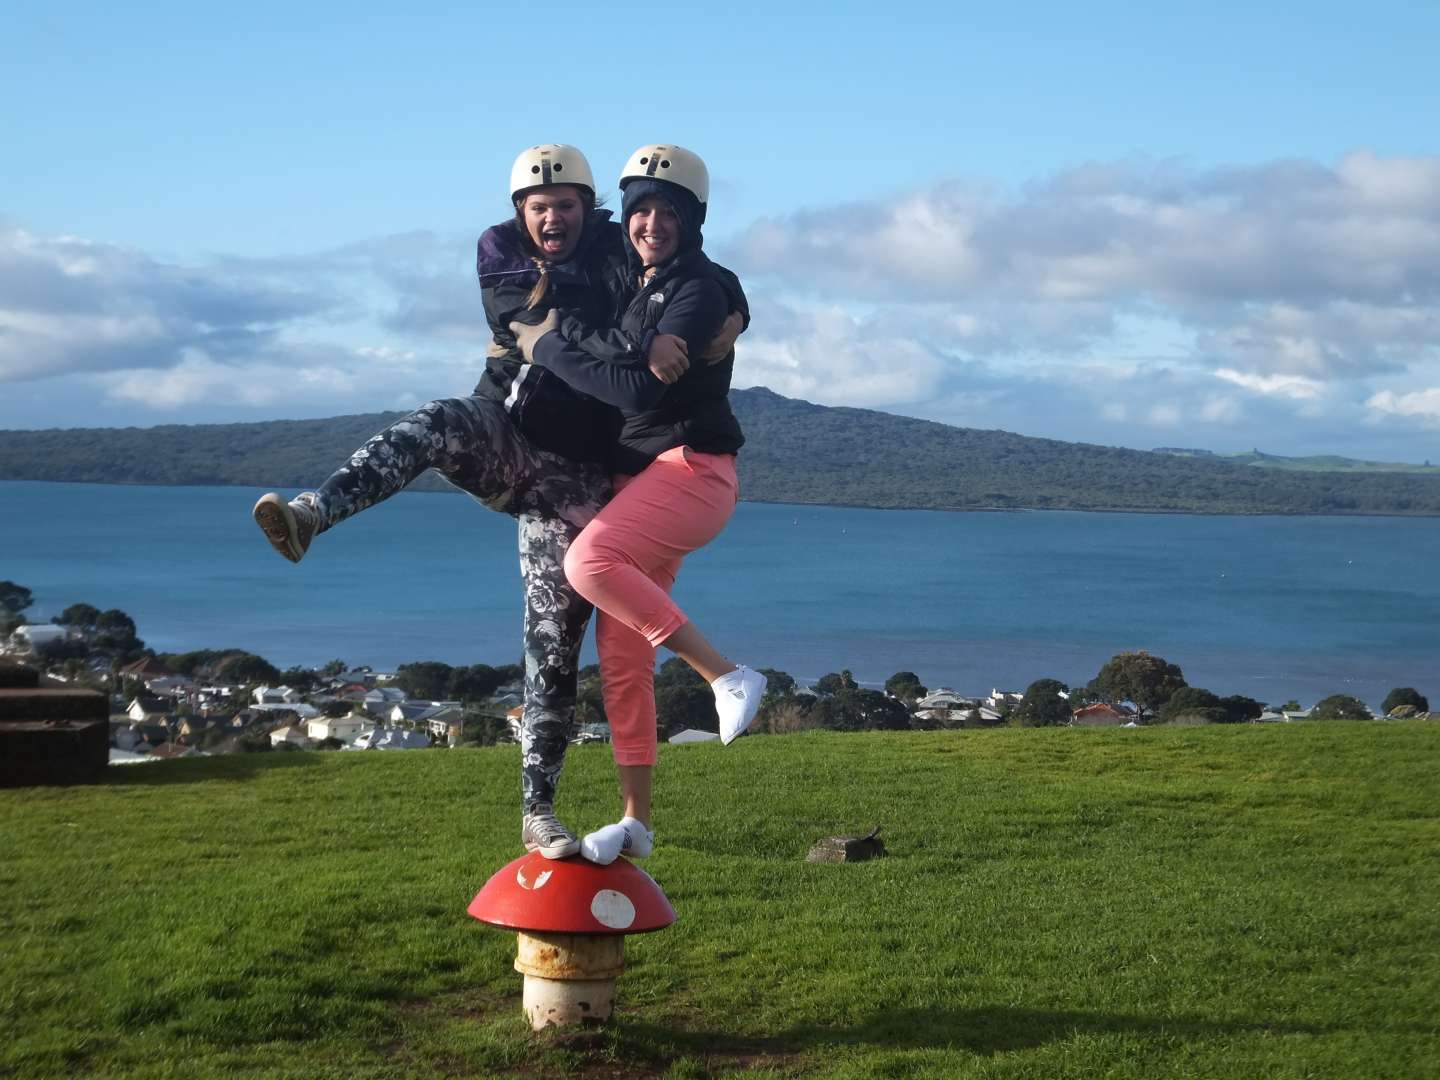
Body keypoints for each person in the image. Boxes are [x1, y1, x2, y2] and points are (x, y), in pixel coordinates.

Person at [251, 145, 736, 861]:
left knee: (554, 652)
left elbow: (702, 272)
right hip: (511, 439)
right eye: (539, 207)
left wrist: (732, 314)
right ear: (519, 212)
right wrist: (589, 342)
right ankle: (313, 513)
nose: (552, 218)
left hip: (581, 480)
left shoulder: (620, 242)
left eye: (566, 206)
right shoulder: (499, 251)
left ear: (589, 209)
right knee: (437, 421)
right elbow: (535, 330)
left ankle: (538, 813)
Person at [508, 144, 767, 865]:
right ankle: (636, 820)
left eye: (667, 211)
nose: (651, 222)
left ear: (693, 218)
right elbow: (613, 333)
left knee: (588, 563)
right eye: (640, 209)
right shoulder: (630, 272)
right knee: (622, 658)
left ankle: (725, 673)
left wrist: (552, 344)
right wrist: (591, 338)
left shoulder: (698, 288)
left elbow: (634, 379)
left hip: (693, 472)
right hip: (640, 481)